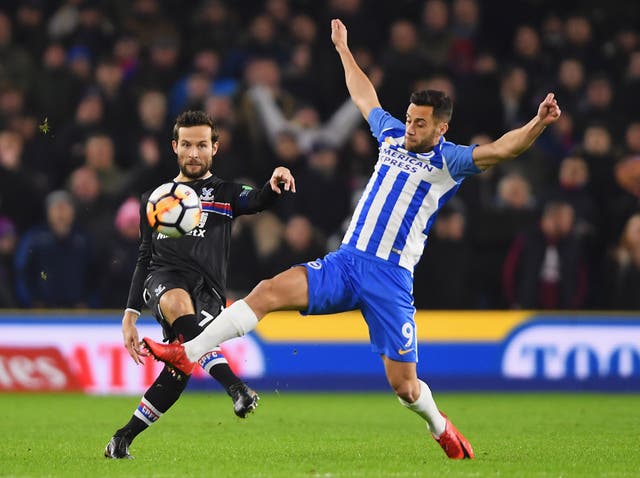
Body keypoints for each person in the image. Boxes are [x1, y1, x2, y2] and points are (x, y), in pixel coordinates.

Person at [140, 19, 561, 460]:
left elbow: (502, 150)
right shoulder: (392, 135)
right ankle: (187, 352)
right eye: (409, 118)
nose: (410, 127)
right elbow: (364, 96)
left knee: (404, 386)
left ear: (441, 129)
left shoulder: (450, 160)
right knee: (266, 291)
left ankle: (441, 428)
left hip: (390, 281)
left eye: (420, 123)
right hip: (346, 262)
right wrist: (343, 48)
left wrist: (537, 123)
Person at [104, 110, 296, 459]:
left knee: (182, 366)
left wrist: (274, 184)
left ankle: (122, 438)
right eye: (187, 145)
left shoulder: (226, 193)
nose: (194, 153)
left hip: (208, 291)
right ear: (175, 147)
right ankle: (236, 388)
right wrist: (130, 314)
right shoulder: (156, 197)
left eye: (202, 145)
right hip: (164, 279)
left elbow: (258, 200)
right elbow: (144, 255)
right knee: (178, 305)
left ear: (215, 148)